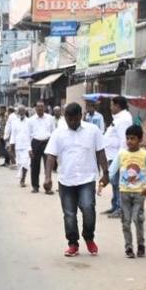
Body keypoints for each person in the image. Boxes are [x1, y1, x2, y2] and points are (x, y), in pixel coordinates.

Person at [43, 102, 108, 257]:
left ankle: (89, 237)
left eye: (74, 119)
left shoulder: (93, 131)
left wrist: (105, 173)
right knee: (69, 214)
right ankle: (73, 243)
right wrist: (47, 177)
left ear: (81, 116)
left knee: (88, 208)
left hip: (87, 178)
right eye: (68, 119)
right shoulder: (58, 133)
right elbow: (51, 156)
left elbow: (101, 152)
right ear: (65, 117)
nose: (71, 122)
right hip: (66, 180)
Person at [102, 124, 146, 258]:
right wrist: (102, 182)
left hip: (140, 193)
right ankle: (128, 248)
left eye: (132, 138)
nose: (129, 141)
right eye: (127, 138)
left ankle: (141, 246)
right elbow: (112, 170)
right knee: (125, 221)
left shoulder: (145, 155)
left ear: (140, 139)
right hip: (124, 193)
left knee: (137, 219)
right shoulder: (122, 154)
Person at [102, 96, 133, 217]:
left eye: (111, 105)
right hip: (112, 155)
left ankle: (121, 209)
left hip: (118, 156)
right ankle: (115, 205)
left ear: (117, 106)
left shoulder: (124, 119)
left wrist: (119, 159)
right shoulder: (119, 118)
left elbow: (124, 140)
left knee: (119, 183)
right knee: (114, 182)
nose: (110, 107)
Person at [26, 100, 57, 193]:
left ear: (44, 108)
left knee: (48, 166)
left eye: (42, 107)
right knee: (35, 166)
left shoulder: (50, 118)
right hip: (35, 143)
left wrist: (53, 146)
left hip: (47, 142)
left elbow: (53, 132)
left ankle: (48, 187)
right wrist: (29, 148)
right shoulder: (30, 120)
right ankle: (35, 186)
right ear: (35, 108)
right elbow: (27, 135)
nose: (40, 108)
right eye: (38, 107)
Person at [11, 105, 32, 187]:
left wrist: (31, 147)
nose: (21, 112)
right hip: (18, 145)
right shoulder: (15, 122)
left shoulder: (29, 122)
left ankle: (23, 179)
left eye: (23, 111)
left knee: (25, 163)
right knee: (19, 163)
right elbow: (13, 134)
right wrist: (11, 145)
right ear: (18, 112)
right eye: (20, 111)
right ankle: (22, 178)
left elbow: (31, 134)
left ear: (25, 112)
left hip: (27, 146)